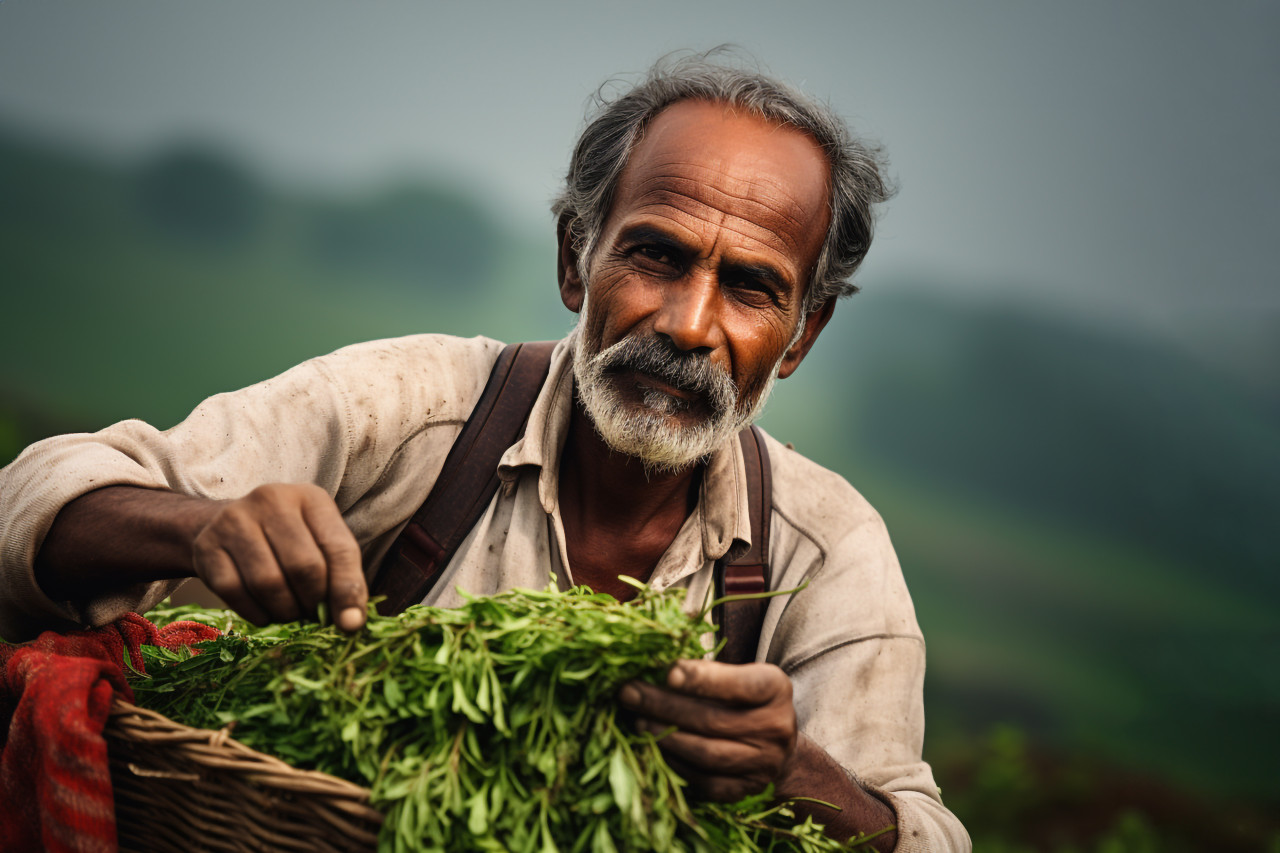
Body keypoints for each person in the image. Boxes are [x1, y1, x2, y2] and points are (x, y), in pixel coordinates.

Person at [0, 55, 970, 851]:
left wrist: (794, 771)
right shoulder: (412, 409)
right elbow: (31, 499)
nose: (687, 323)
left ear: (799, 336)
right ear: (571, 258)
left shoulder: (822, 550)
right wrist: (200, 526)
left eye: (752, 287)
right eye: (655, 255)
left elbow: (924, 833)